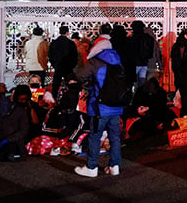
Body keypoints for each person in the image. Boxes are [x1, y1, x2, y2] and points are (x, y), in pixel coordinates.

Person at [74, 36, 124, 177]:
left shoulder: (95, 62)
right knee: (115, 137)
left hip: (99, 107)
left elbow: (80, 76)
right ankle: (114, 166)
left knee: (95, 137)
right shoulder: (119, 62)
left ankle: (92, 167)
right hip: (116, 106)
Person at [0, 84, 30, 161]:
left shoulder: (20, 111)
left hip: (13, 141)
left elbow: (23, 130)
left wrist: (8, 140)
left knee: (10, 150)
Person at [48, 25, 78, 98]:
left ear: (59, 32)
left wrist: (54, 64)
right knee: (70, 86)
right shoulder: (71, 43)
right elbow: (75, 56)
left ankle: (54, 101)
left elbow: (50, 55)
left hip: (58, 66)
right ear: (67, 32)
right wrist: (72, 65)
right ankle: (69, 102)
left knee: (55, 86)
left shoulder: (54, 43)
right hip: (68, 67)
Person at [129, 20, 156, 88]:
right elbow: (150, 53)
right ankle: (141, 95)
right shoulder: (148, 38)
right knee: (142, 82)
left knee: (132, 84)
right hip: (144, 63)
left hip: (134, 64)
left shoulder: (132, 39)